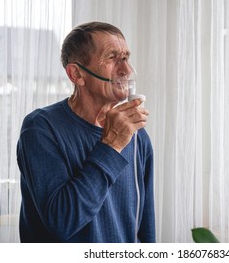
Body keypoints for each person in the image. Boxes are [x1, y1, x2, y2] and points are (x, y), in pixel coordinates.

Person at [16, 21, 155, 243]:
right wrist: (111, 146)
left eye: (126, 58)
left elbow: (145, 225)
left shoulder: (137, 136)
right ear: (77, 74)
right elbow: (62, 222)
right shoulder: (41, 129)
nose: (127, 71)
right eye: (112, 58)